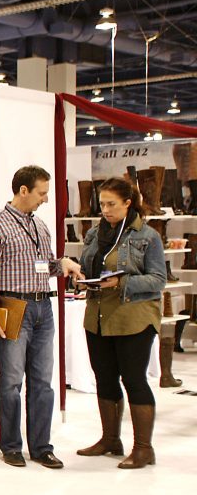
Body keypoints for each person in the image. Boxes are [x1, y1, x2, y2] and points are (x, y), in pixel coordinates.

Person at [0, 165, 82, 469]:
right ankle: (11, 446)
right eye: (42, 192)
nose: (45, 199)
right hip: (12, 308)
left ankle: (41, 447)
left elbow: (42, 266)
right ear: (23, 190)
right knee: (11, 381)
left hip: (42, 309)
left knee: (43, 382)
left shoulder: (40, 226)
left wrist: (62, 264)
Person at [77, 176, 165, 469]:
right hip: (98, 318)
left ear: (128, 203)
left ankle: (144, 448)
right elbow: (88, 264)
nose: (105, 209)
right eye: (102, 204)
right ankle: (110, 439)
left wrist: (122, 281)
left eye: (111, 204)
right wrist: (80, 276)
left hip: (134, 319)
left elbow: (158, 279)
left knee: (134, 380)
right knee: (104, 377)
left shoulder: (148, 236)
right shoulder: (93, 234)